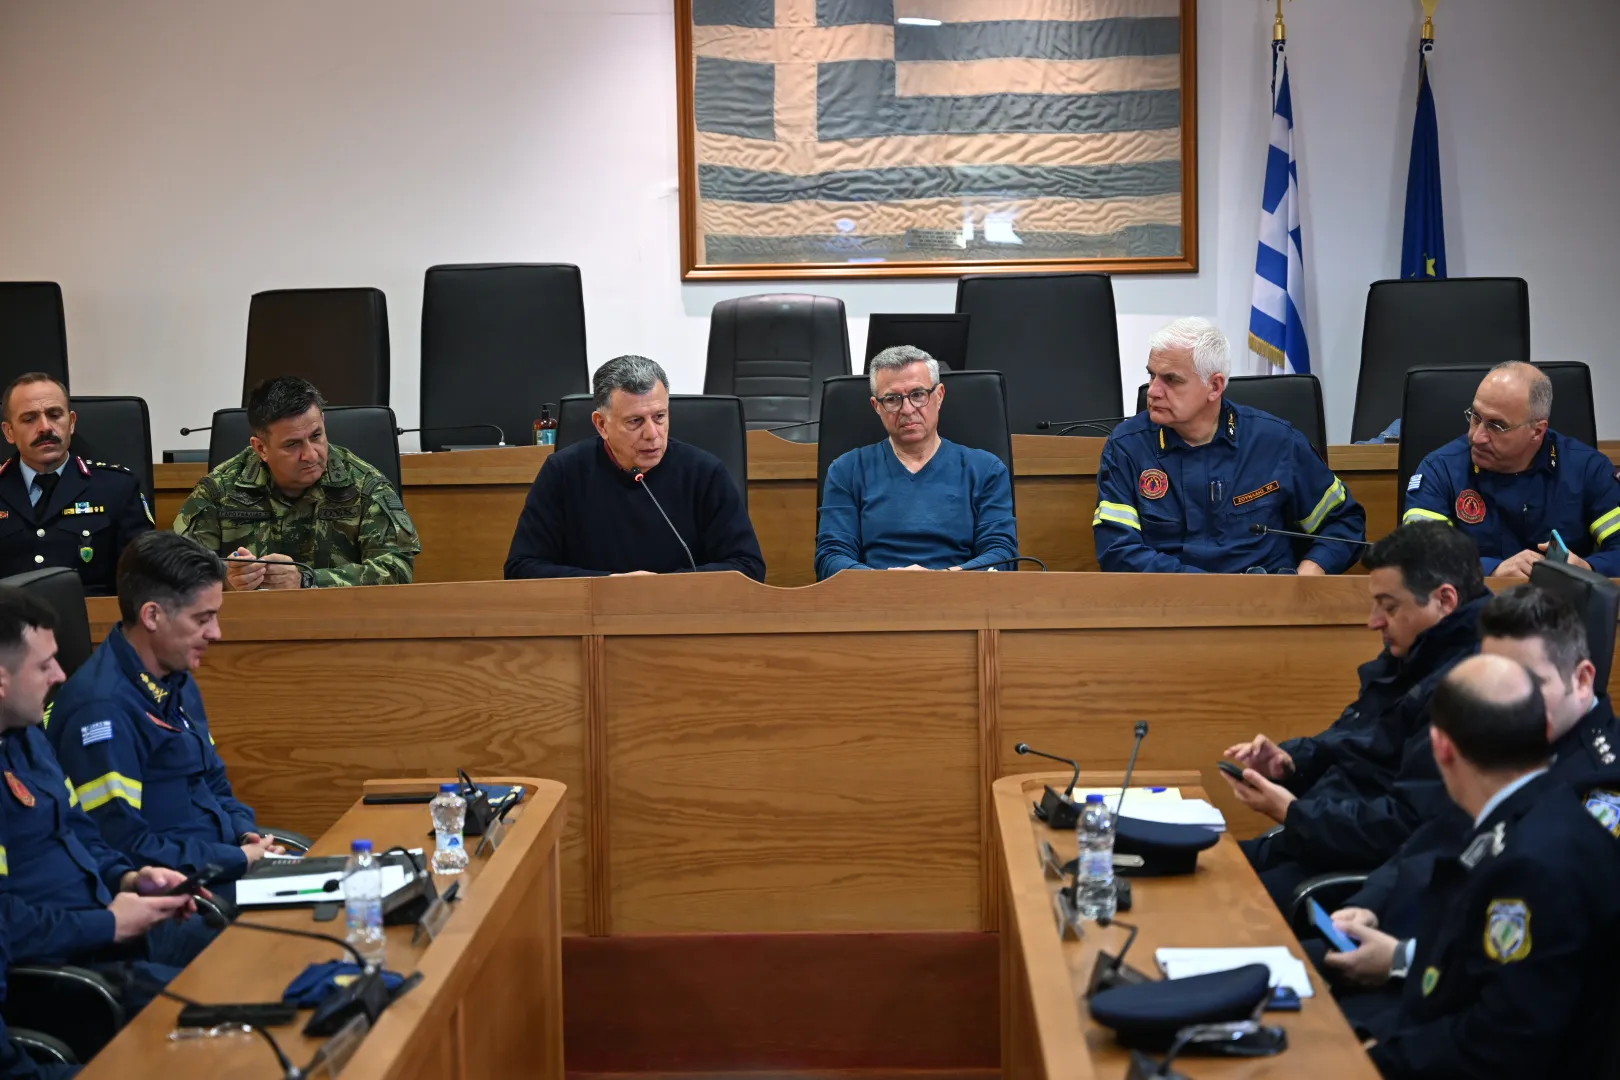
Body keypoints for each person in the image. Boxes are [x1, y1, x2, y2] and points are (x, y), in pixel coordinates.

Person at [1313, 584, 1620, 1038]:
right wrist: (1370, 904)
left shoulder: (1604, 788)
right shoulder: (1497, 737)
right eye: (1493, 681)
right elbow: (1433, 835)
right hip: (1399, 946)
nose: (1500, 703)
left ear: (1582, 679)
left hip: (1450, 992)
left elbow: (1535, 960)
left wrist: (1402, 957)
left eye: (1525, 685)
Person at [1359, 655, 1620, 1078]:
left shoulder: (1531, 866)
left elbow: (1501, 1043)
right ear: (1545, 730)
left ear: (1442, 748)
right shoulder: (1533, 810)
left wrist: (1373, 1057)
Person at [1223, 523, 1489, 907]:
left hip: (1364, 879)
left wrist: (1293, 813)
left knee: (1215, 903)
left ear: (1445, 600)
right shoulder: (1417, 650)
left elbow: (1405, 827)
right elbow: (1354, 746)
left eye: (1389, 606)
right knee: (1197, 864)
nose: (1373, 621)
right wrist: (1290, 766)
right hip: (1322, 841)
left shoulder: (1470, 687)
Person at [0, 588, 209, 1016]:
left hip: (105, 928)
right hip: (59, 973)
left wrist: (129, 879)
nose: (60, 675)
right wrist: (110, 924)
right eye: (44, 665)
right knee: (221, 1000)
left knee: (250, 952)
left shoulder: (26, 734)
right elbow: (7, 923)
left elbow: (79, 834)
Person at [45, 533, 278, 885]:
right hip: (178, 892)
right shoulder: (101, 711)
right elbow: (123, 848)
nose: (216, 633)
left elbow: (213, 781)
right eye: (202, 619)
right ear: (152, 615)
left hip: (222, 865)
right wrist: (235, 859)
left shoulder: (175, 678)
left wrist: (246, 835)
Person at [1093, 318, 1365, 574]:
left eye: (1171, 380)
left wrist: (1311, 571)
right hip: (1170, 600)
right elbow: (1117, 549)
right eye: (1152, 375)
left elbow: (1343, 522)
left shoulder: (1277, 442)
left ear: (1215, 386)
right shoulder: (1128, 446)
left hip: (1266, 600)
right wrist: (1213, 592)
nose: (1153, 390)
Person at [504, 355, 765, 580]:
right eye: (635, 421)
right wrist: (611, 585)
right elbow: (521, 568)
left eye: (659, 417)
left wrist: (662, 587)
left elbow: (748, 566)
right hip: (593, 617)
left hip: (683, 615)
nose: (652, 434)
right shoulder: (563, 473)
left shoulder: (705, 473)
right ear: (601, 425)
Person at [173, 377, 419, 589]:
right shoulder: (219, 489)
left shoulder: (365, 485)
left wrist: (307, 580)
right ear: (261, 448)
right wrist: (226, 579)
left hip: (340, 622)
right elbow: (176, 570)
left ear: (323, 422)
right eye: (292, 445)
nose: (310, 455)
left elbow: (397, 570)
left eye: (316, 436)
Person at [1402, 361, 1620, 578]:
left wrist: (1587, 568)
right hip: (1475, 598)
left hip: (1564, 598)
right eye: (1475, 417)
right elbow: (1418, 556)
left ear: (1537, 431)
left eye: (1497, 426)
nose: (1477, 437)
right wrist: (1490, 570)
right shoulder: (1440, 469)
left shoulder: (1588, 469)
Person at [815, 346, 1017, 578]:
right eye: (892, 399)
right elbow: (831, 557)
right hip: (875, 594)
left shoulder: (985, 469)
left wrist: (940, 579)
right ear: (877, 406)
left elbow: (1002, 555)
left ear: (939, 395)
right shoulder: (847, 470)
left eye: (918, 394)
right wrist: (887, 582)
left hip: (959, 594)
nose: (907, 409)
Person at [0, 373, 153, 595]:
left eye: (54, 415)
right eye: (29, 419)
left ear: (71, 422)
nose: (45, 427)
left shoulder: (117, 487)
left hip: (92, 615)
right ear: (9, 432)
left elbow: (143, 577)